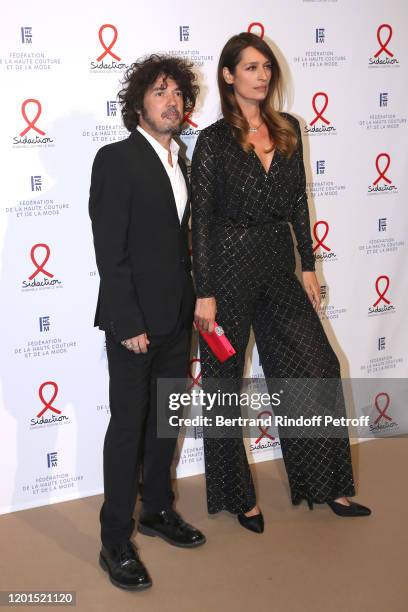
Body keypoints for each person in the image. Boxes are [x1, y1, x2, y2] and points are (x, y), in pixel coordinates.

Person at [191, 32, 371, 534]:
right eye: (250, 67)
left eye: (266, 66)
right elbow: (201, 220)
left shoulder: (288, 128)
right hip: (225, 270)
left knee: (318, 364)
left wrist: (308, 265)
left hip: (277, 264)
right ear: (229, 76)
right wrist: (205, 290)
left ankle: (327, 484)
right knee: (225, 386)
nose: (262, 74)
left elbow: (297, 202)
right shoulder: (212, 140)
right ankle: (236, 497)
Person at [89, 54, 206, 591]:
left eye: (179, 93)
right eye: (160, 92)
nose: (172, 101)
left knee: (164, 424)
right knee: (127, 431)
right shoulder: (116, 159)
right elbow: (109, 253)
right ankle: (115, 541)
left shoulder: (180, 161)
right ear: (138, 103)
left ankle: (156, 511)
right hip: (134, 324)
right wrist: (127, 319)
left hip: (177, 318)